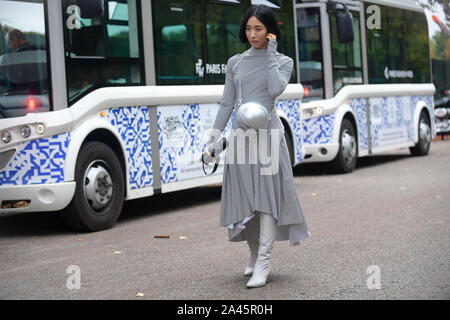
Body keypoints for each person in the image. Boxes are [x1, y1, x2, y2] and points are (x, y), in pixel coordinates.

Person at [204, 5, 310, 288]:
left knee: (266, 200)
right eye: (249, 28)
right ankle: (253, 254)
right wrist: (213, 138)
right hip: (240, 137)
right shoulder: (235, 63)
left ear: (270, 31)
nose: (252, 34)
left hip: (269, 137)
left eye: (259, 29)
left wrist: (272, 53)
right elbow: (228, 103)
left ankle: (264, 261)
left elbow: (275, 89)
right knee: (246, 199)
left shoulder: (283, 62)